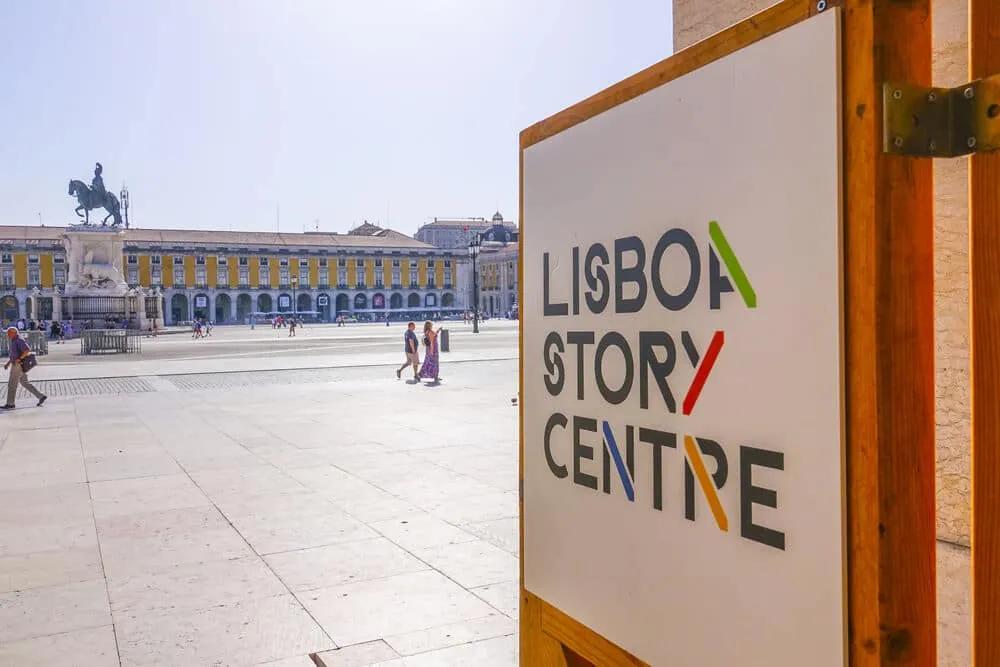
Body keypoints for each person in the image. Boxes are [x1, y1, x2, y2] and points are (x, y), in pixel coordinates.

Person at [3, 327, 45, 409]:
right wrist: (8, 363)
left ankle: (10, 403)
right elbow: (14, 355)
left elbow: (27, 350)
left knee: (12, 384)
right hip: (17, 364)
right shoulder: (14, 340)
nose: (8, 335)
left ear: (14, 333)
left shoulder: (19, 340)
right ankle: (41, 396)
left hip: (18, 365)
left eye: (9, 333)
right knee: (24, 382)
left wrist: (19, 359)